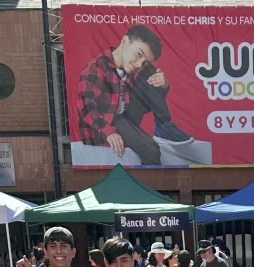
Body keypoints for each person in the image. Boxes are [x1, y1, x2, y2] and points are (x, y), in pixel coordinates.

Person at [76, 24, 193, 166]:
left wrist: (164, 85)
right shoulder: (95, 69)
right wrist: (109, 132)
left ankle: (164, 127)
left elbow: (147, 98)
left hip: (126, 116)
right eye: (139, 54)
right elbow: (86, 108)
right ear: (124, 41)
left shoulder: (130, 69)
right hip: (107, 124)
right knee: (151, 149)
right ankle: (146, 187)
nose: (139, 64)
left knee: (151, 71)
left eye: (143, 62)